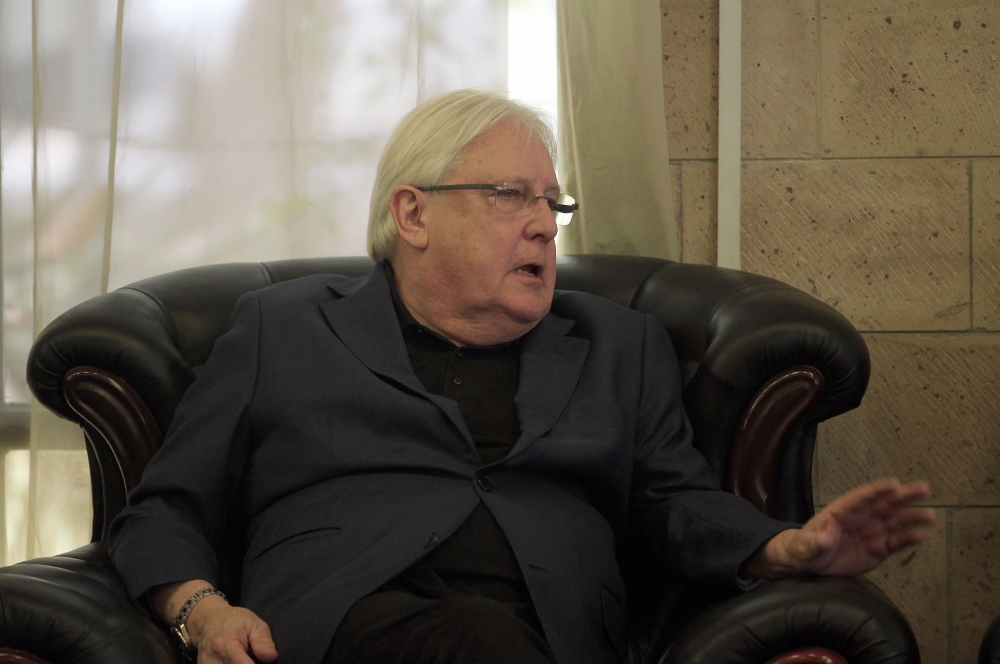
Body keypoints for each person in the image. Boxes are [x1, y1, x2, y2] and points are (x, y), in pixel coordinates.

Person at [109, 89, 935, 664]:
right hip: (334, 631)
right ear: (413, 213)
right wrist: (201, 613)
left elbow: (672, 504)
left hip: (546, 635)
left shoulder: (621, 345)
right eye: (511, 196)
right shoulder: (283, 328)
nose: (544, 223)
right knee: (468, 639)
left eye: (552, 202)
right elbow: (166, 508)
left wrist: (790, 546)